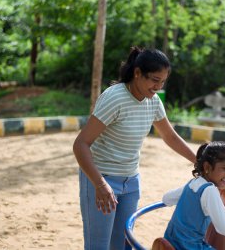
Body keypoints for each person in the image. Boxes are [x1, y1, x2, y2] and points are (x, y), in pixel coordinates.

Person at [73, 46, 196, 250]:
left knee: (123, 245)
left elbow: (169, 136)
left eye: (163, 81)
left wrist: (198, 162)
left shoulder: (153, 102)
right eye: (154, 80)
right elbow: (81, 144)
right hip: (100, 178)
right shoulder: (115, 98)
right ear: (137, 73)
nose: (158, 86)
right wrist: (100, 184)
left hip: (131, 182)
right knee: (99, 246)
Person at [162, 141, 225, 250]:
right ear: (207, 166)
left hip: (170, 242)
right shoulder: (210, 191)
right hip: (189, 247)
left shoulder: (192, 183)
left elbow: (166, 199)